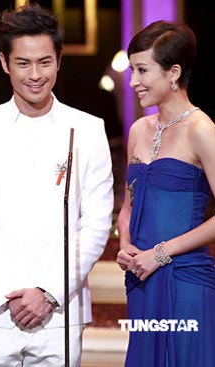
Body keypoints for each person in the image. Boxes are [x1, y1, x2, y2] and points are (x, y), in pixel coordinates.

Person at [0, 3, 114, 366]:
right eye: (23, 63)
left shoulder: (87, 129)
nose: (35, 74)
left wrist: (49, 292)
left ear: (58, 61)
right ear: (5, 63)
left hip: (60, 311)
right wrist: (9, 295)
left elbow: (97, 223)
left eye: (44, 62)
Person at [116, 20, 215, 366]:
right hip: (141, 280)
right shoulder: (138, 129)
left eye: (142, 70)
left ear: (173, 72)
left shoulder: (201, 130)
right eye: (132, 70)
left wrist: (159, 254)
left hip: (186, 281)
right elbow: (127, 206)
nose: (133, 82)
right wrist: (126, 245)